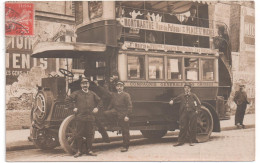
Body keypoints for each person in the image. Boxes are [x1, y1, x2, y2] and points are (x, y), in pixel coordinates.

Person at [65, 78, 101, 157]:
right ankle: (79, 151)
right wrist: (73, 108)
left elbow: (100, 101)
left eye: (86, 84)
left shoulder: (92, 94)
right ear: (81, 85)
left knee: (90, 134)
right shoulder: (77, 93)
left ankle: (90, 150)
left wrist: (97, 108)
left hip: (90, 117)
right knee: (79, 134)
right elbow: (68, 100)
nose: (85, 85)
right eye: (83, 84)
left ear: (89, 85)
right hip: (80, 117)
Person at [104, 81, 132, 152]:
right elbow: (111, 103)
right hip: (115, 111)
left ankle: (125, 146)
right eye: (118, 86)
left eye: (121, 86)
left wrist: (127, 116)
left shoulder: (126, 95)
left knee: (125, 131)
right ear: (116, 87)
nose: (119, 88)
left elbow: (129, 106)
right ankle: (112, 124)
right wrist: (108, 109)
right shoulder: (114, 95)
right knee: (106, 113)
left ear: (123, 87)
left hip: (123, 114)